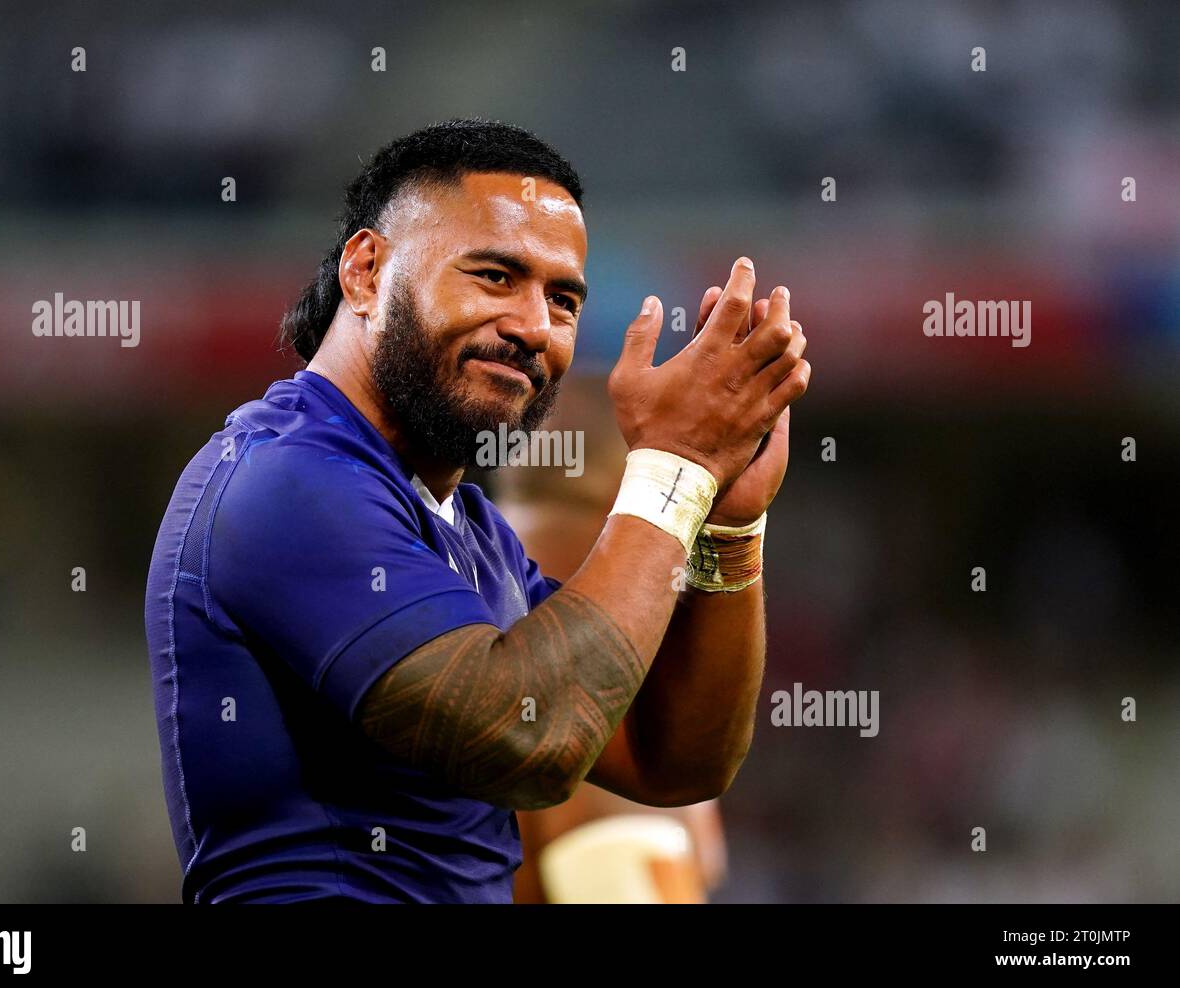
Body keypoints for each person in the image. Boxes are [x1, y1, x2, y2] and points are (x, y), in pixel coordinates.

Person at [144, 118, 810, 903]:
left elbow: (676, 761)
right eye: (495, 276)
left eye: (562, 300)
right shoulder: (285, 480)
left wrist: (726, 523)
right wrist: (674, 471)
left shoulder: (473, 531)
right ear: (365, 271)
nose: (534, 327)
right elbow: (530, 738)